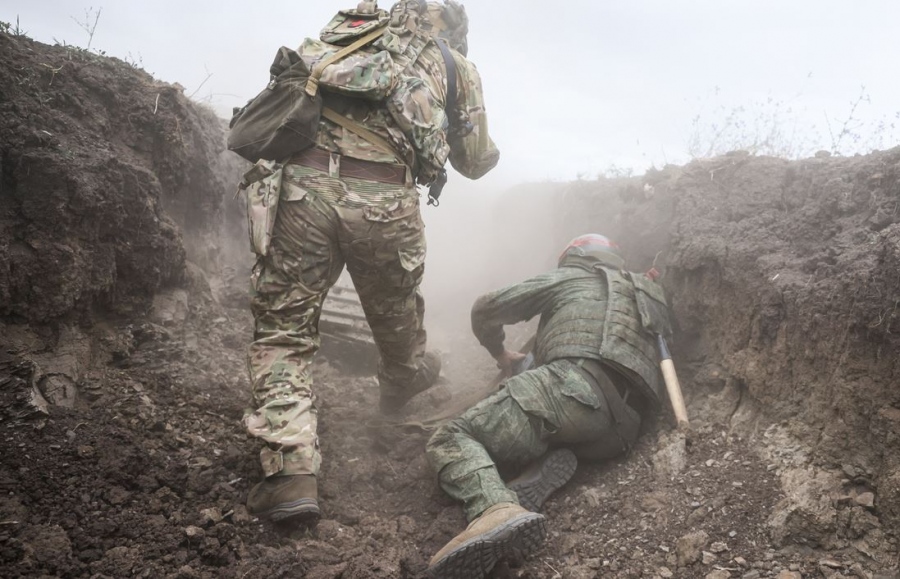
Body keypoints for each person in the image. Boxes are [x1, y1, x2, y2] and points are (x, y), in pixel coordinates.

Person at [241, 0, 499, 527]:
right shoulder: (454, 64)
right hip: (386, 200)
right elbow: (473, 162)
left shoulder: (348, 34)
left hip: (302, 190)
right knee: (395, 314)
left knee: (284, 334)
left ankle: (290, 471)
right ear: (452, 24)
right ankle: (404, 378)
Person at [425, 234, 671, 579]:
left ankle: (496, 509)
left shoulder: (573, 277)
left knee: (452, 436)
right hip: (621, 433)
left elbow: (486, 307)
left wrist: (499, 353)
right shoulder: (646, 297)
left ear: (576, 257)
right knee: (544, 422)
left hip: (574, 390)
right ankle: (528, 476)